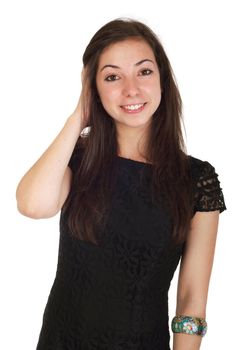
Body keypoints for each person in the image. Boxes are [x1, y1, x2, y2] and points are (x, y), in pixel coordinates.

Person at [16, 18, 226, 350]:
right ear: (93, 90)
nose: (131, 89)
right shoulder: (77, 161)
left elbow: (191, 301)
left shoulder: (196, 181)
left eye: (144, 72)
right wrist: (78, 117)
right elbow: (33, 205)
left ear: (162, 80)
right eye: (112, 77)